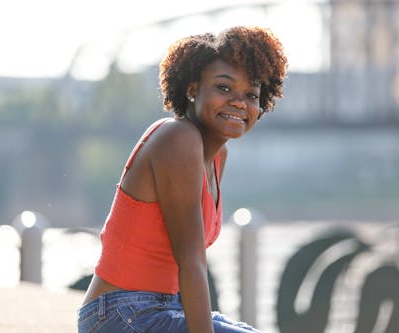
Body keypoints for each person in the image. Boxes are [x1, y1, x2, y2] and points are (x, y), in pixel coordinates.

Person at [77, 25, 288, 333]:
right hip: (121, 314)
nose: (240, 102)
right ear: (192, 89)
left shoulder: (216, 157)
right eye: (224, 88)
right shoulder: (178, 138)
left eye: (251, 94)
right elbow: (191, 261)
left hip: (165, 308)